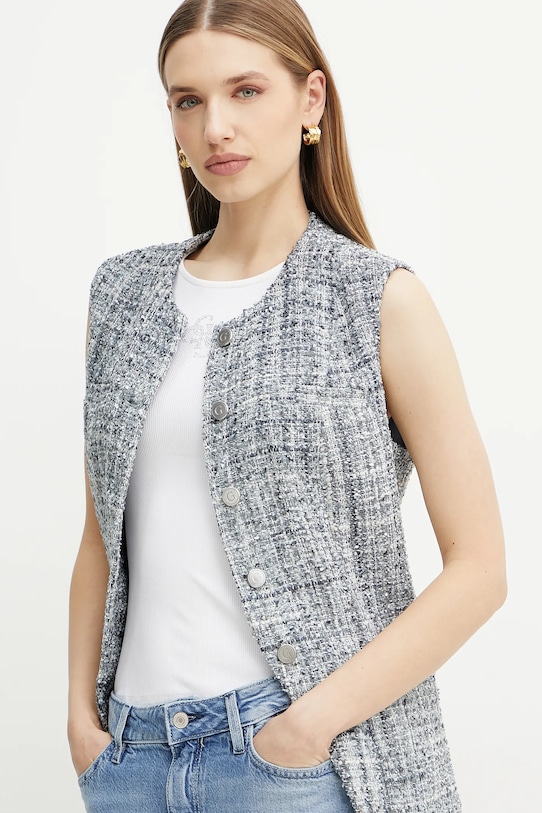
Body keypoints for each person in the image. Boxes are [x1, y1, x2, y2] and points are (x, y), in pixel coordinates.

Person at [68, 1, 507, 811]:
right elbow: (102, 535)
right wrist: (79, 722)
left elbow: (480, 567)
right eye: (188, 100)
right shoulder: (121, 294)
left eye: (246, 91)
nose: (215, 128)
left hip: (300, 766)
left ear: (311, 99)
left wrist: (307, 726)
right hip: (129, 760)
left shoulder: (376, 299)